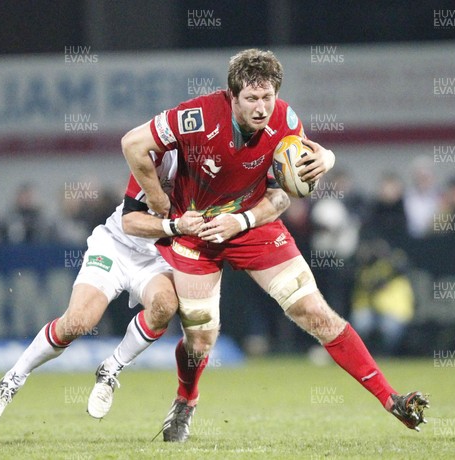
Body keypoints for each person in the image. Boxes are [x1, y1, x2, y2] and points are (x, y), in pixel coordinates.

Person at [121, 48, 429, 441]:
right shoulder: (195, 117)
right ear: (231, 96)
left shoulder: (286, 120)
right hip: (195, 231)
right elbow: (132, 144)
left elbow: (285, 195)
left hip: (251, 226)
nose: (262, 107)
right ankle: (186, 401)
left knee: (316, 314)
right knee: (201, 338)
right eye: (251, 98)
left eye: (268, 97)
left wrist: (324, 161)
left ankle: (393, 400)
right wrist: (160, 201)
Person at [0, 149, 290, 432]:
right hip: (116, 246)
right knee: (79, 322)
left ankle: (111, 369)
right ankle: (11, 381)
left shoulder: (220, 180)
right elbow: (131, 222)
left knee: (166, 305)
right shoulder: (160, 161)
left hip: (157, 257)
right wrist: (176, 226)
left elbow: (268, 194)